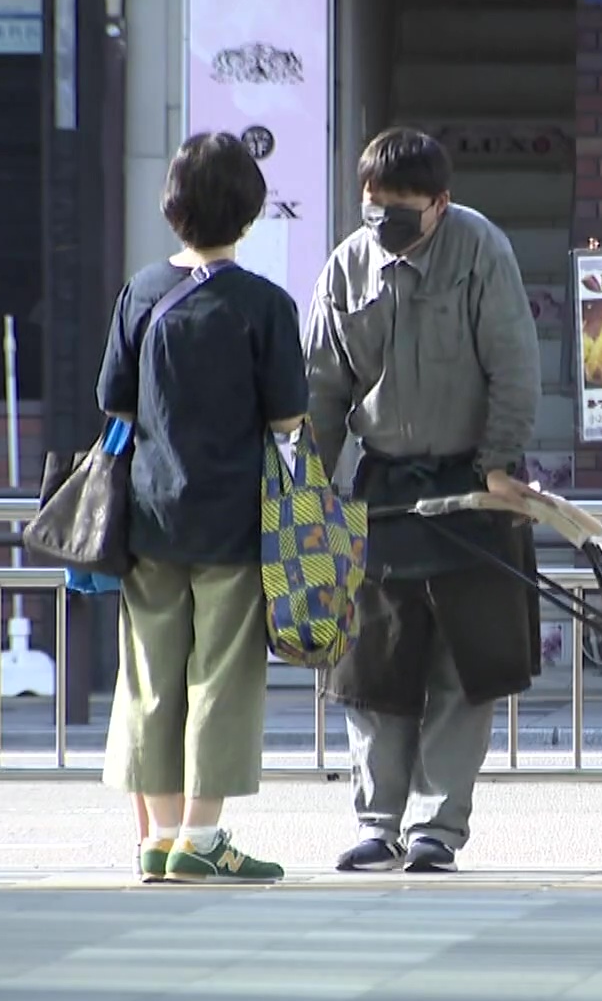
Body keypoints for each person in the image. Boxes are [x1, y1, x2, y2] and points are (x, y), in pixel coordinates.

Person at [306, 127, 541, 873]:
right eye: (376, 209)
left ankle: (438, 828)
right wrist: (309, 481)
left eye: (404, 212)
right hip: (381, 485)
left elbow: (514, 363)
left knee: (461, 663)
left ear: (441, 204)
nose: (387, 227)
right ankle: (377, 821)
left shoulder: (480, 251)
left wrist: (500, 464)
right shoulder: (345, 267)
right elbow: (320, 386)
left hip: (472, 482)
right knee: (373, 664)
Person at [96, 131, 308, 883]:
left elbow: (111, 398)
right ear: (248, 213)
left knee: (151, 674)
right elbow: (289, 418)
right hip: (235, 521)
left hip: (149, 515)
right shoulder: (264, 306)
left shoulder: (142, 291)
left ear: (173, 208)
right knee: (219, 675)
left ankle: (156, 838)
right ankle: (204, 836)